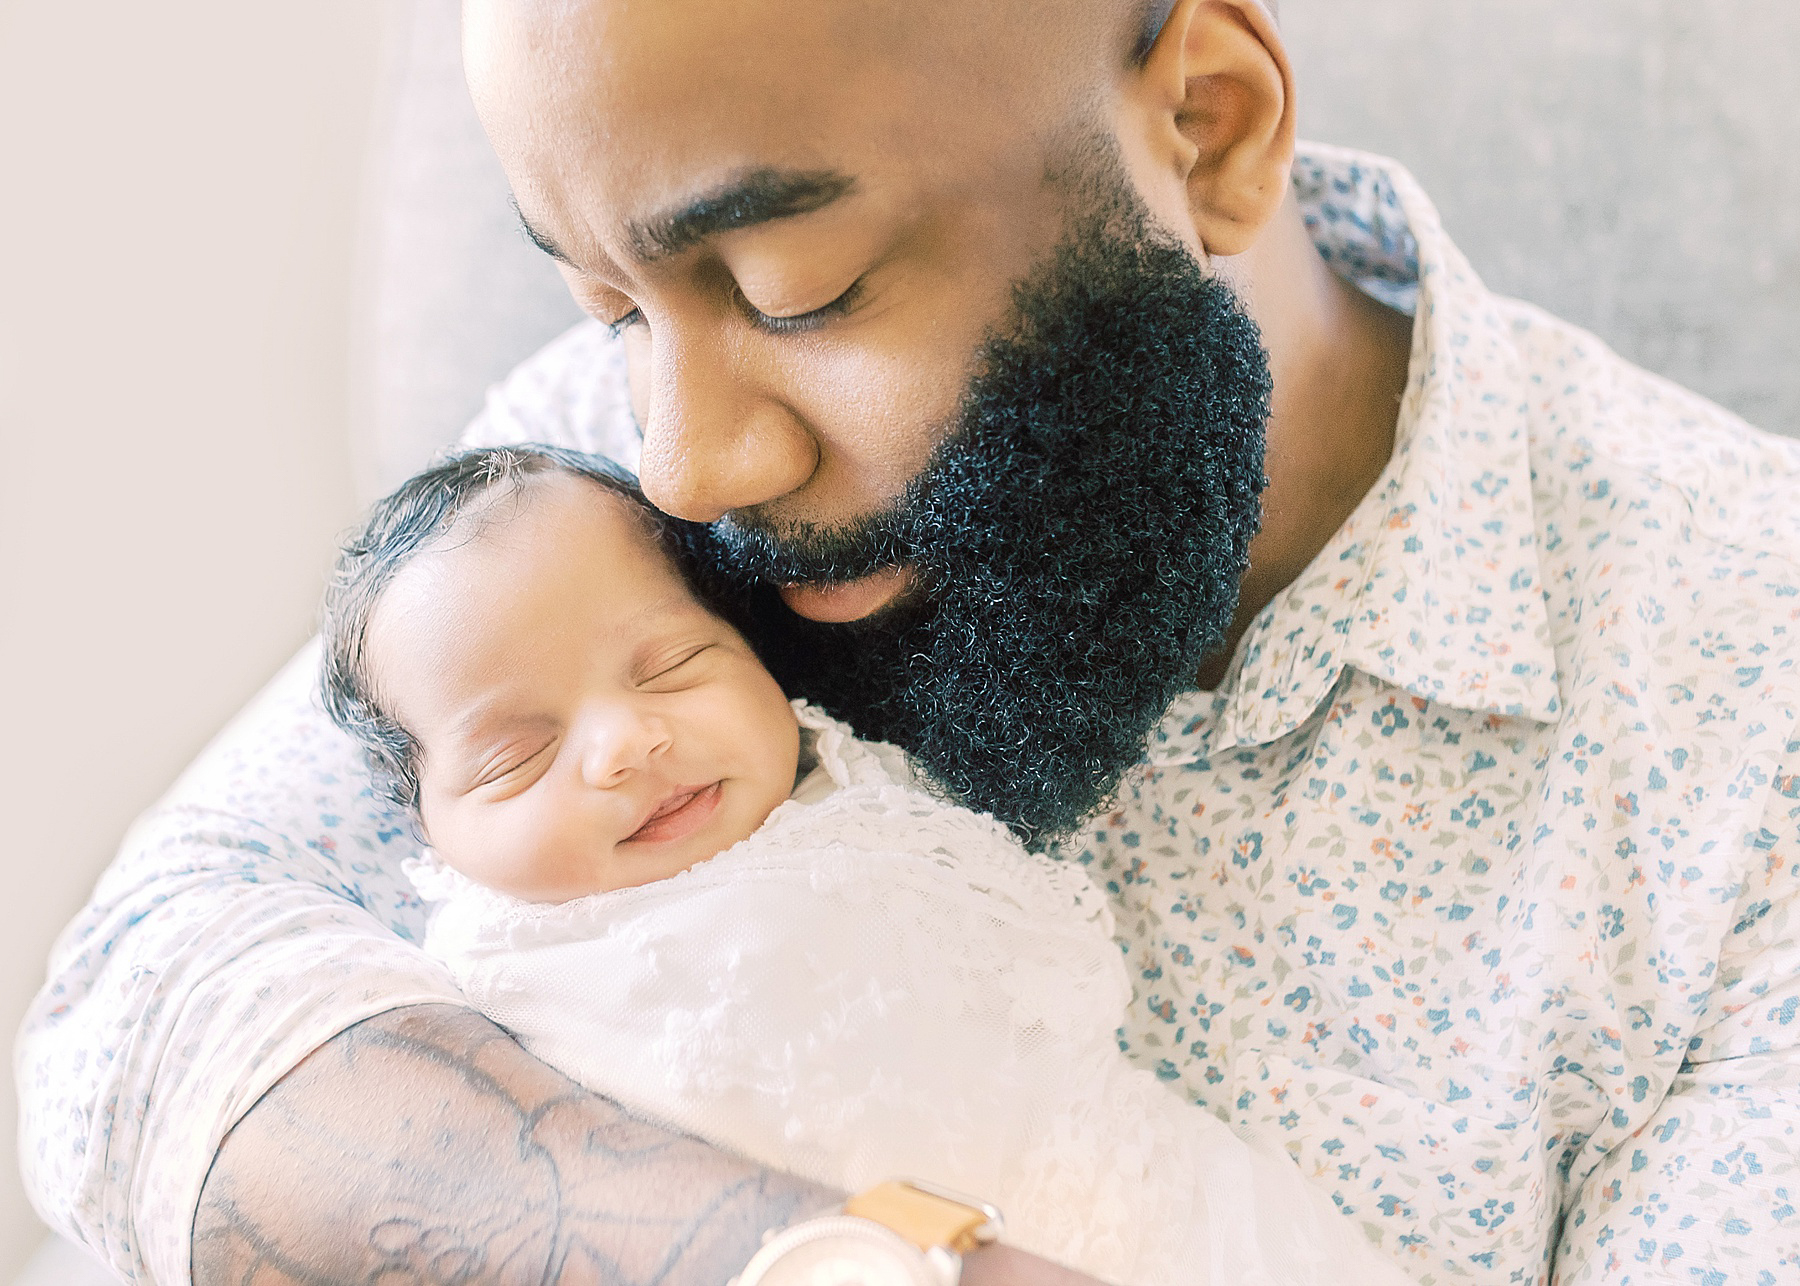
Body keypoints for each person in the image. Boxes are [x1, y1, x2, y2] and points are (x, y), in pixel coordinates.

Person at [17, 0, 1800, 1283]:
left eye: (799, 291)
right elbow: (140, 1016)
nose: (688, 464)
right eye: (610, 302)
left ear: (1209, 129)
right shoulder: (604, 463)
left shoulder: (1743, 689)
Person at [315, 441, 1411, 1285]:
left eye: (674, 664)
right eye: (521, 751)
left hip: (1171, 1205)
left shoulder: (848, 770)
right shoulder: (495, 981)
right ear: (427, 831)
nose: (623, 744)